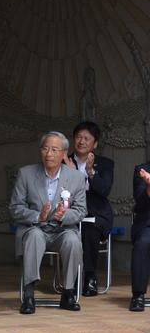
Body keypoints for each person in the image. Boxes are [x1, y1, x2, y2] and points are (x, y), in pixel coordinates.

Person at [9, 131, 87, 314]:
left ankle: (68, 293)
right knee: (34, 237)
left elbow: (81, 210)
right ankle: (29, 294)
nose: (48, 154)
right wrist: (38, 216)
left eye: (54, 149)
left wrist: (63, 215)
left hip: (62, 229)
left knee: (73, 241)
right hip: (35, 228)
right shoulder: (26, 174)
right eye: (45, 148)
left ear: (63, 154)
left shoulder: (76, 177)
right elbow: (14, 208)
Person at [63, 121, 114, 296]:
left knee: (88, 229)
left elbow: (104, 190)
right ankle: (73, 278)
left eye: (87, 138)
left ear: (95, 143)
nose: (82, 141)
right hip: (71, 214)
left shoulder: (106, 164)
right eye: (78, 137)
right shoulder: (64, 162)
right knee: (74, 230)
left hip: (97, 215)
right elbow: (58, 193)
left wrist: (90, 171)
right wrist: (71, 174)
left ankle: (89, 277)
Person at [129, 163, 150, 311]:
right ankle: (138, 295)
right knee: (143, 243)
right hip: (147, 225)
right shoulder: (142, 170)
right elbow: (140, 202)